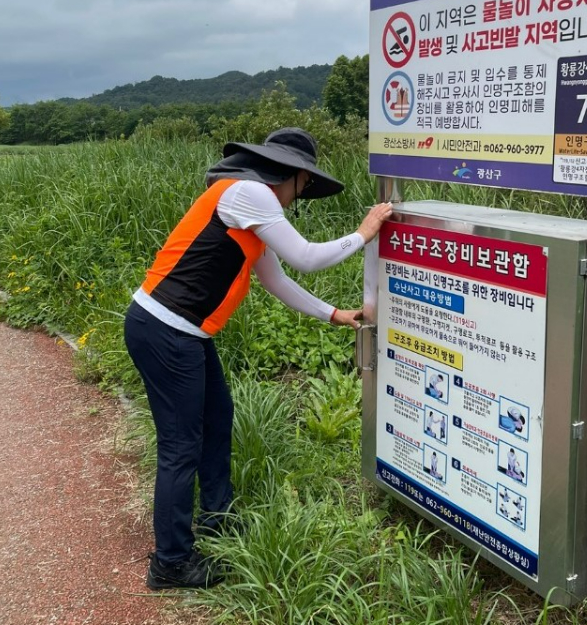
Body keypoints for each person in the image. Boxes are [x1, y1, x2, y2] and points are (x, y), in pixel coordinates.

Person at [124, 127, 393, 590]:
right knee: (180, 445)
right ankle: (171, 562)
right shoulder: (249, 193)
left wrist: (332, 315)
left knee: (217, 418)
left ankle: (217, 518)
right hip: (166, 330)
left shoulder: (244, 204)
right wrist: (364, 233)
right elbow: (306, 258)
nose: (298, 197)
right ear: (289, 174)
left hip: (182, 332)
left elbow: (276, 279)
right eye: (303, 186)